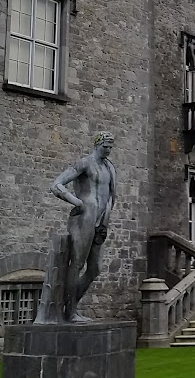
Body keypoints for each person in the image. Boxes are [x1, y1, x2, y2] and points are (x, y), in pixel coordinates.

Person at [50, 132, 118, 322]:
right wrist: (78, 202)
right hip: (84, 218)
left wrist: (106, 218)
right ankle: (71, 312)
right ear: (97, 145)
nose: (108, 150)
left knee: (95, 268)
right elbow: (56, 185)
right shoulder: (85, 163)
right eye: (105, 146)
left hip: (101, 220)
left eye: (111, 147)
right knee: (77, 264)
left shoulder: (110, 167)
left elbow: (111, 195)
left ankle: (68, 306)